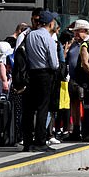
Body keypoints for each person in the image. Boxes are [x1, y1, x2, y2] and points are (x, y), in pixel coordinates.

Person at [23, 10, 60, 152]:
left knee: (29, 108)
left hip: (32, 73)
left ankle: (27, 141)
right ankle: (40, 140)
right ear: (51, 23)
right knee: (43, 108)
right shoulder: (48, 38)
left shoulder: (30, 35)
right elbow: (54, 62)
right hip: (45, 74)